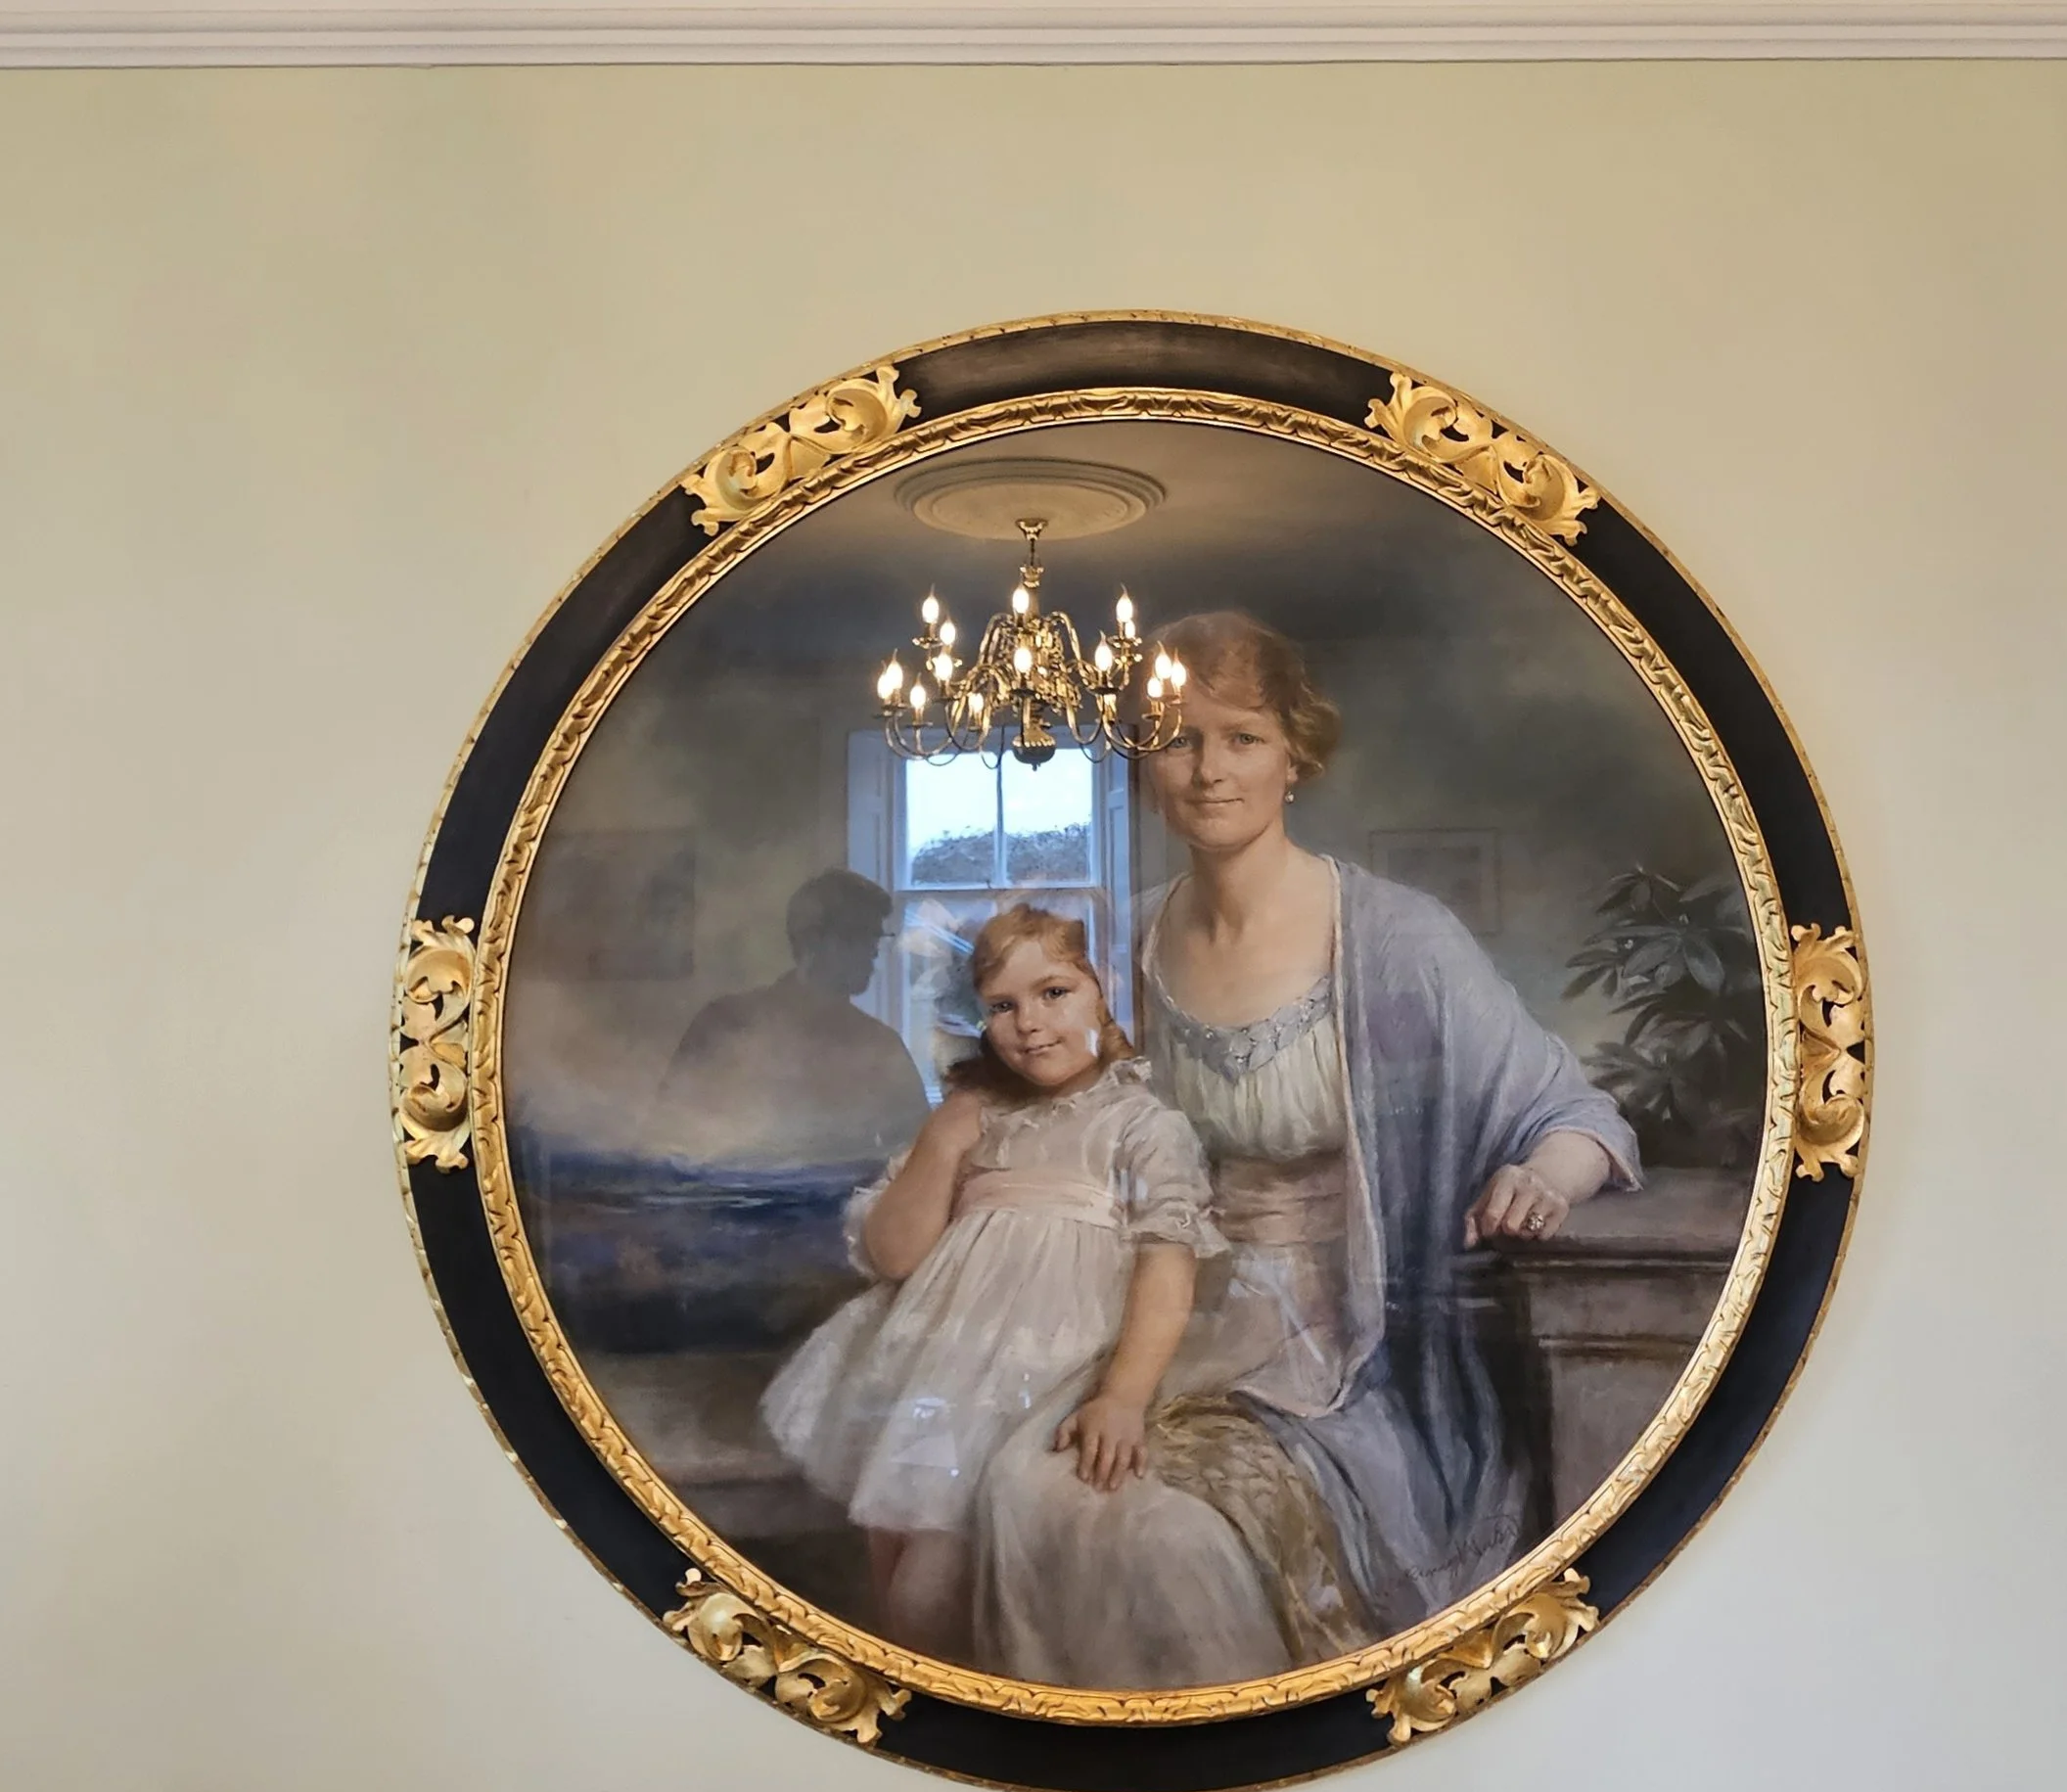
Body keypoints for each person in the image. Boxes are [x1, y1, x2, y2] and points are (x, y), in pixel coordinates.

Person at [976, 613, 1641, 1690]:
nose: (1209, 770)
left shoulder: (1397, 938)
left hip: (1346, 1350)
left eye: (1242, 737)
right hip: (1152, 1322)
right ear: (1145, 761)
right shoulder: (1120, 943)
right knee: (1019, 1492)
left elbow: (1576, 1114)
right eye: (1178, 739)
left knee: (1166, 1537)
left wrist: (1540, 1174)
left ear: (1295, 754)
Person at [758, 905, 1220, 1664]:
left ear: (1105, 990)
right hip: (933, 1364)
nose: (1029, 1024)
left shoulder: (1140, 1126)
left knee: (932, 1591)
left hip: (1048, 1367)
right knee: (893, 1566)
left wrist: (1122, 1397)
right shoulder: (977, 1119)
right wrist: (942, 1145)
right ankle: (919, 1699)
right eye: (1002, 1006)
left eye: (1054, 993)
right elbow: (894, 1254)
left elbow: (1168, 1264)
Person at [650, 869, 927, 1166]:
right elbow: (665, 1136)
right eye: (859, 936)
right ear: (812, 940)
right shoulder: (724, 1025)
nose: (873, 951)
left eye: (876, 937)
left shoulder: (880, 1046)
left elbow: (922, 1153)